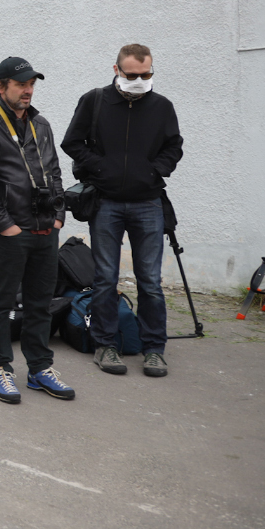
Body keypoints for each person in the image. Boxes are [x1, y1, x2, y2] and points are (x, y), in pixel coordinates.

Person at [62, 43, 183, 379]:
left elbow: (174, 146)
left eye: (147, 74)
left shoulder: (161, 106)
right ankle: (105, 345)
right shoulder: (95, 101)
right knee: (104, 278)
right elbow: (72, 142)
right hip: (107, 203)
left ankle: (154, 349)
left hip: (148, 203)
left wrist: (154, 171)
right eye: (133, 75)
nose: (140, 80)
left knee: (150, 282)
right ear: (116, 70)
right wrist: (100, 170)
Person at [0, 56, 73, 404]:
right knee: (0, 303)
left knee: (40, 303)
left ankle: (40, 368)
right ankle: (0, 368)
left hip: (46, 229)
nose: (28, 90)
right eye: (21, 84)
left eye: (32, 84)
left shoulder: (40, 123)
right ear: (1, 87)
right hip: (11, 231)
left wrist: (59, 215)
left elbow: (54, 172)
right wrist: (4, 224)